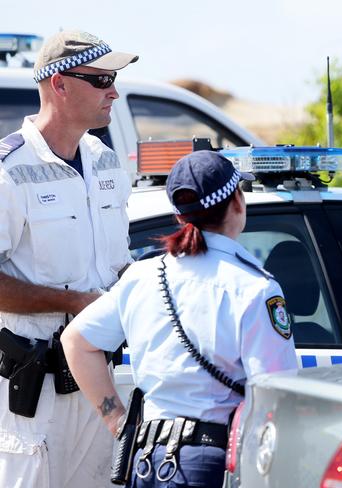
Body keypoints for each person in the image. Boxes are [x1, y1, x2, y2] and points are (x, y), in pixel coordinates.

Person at [62, 150, 298, 487]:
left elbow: (76, 342)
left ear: (178, 217)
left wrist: (119, 423)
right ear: (237, 203)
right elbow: (275, 395)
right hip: (212, 464)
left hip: (145, 459)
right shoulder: (253, 287)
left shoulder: (142, 276)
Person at [0, 30, 137, 487]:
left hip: (99, 384)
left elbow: (119, 265)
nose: (113, 91)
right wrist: (76, 301)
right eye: (101, 80)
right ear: (59, 84)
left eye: (113, 79)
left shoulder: (104, 161)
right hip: (32, 396)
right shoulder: (9, 171)